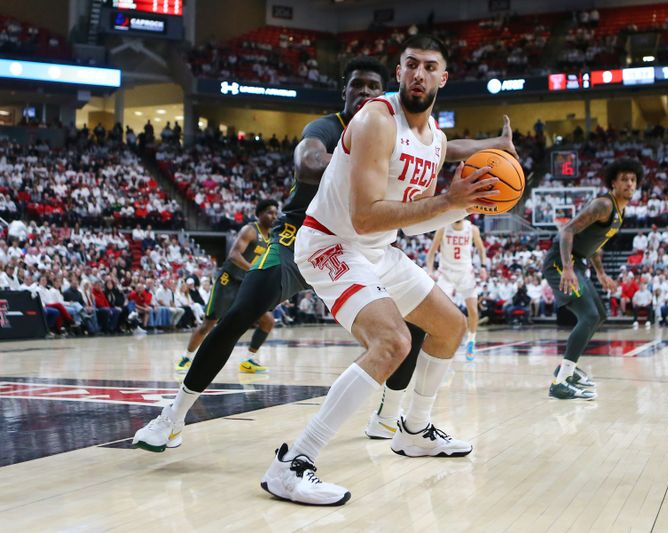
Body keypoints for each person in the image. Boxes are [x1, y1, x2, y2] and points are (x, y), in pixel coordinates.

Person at [131, 54, 519, 458]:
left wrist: (494, 145)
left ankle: (393, 418)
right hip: (300, 235)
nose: (365, 93)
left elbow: (445, 148)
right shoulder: (330, 127)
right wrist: (360, 160)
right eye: (357, 86)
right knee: (239, 315)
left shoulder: (399, 127)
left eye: (373, 87)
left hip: (362, 243)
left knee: (420, 325)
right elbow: (307, 161)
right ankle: (171, 417)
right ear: (345, 92)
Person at [259, 34, 499, 505]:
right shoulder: (376, 119)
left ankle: (412, 430)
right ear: (399, 72)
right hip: (329, 242)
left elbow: (417, 214)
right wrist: (449, 201)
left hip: (377, 248)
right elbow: (367, 213)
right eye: (411, 64)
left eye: (430, 66)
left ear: (443, 78)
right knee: (393, 342)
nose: (419, 74)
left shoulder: (435, 142)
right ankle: (292, 464)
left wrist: (461, 206)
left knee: (451, 326)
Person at [543, 158, 642, 400]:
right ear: (613, 183)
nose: (629, 184)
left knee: (599, 315)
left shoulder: (620, 211)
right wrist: (566, 268)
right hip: (561, 262)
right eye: (624, 180)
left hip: (578, 262)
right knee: (588, 316)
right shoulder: (603, 205)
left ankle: (567, 368)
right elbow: (567, 231)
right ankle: (561, 382)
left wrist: (600, 272)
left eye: (633, 180)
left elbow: (595, 245)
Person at [175, 199, 278, 373]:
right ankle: (186, 358)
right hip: (228, 280)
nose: (273, 216)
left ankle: (249, 360)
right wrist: (254, 270)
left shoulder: (272, 237)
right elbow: (234, 255)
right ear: (259, 214)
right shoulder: (250, 230)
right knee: (209, 323)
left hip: (246, 284)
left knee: (268, 321)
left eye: (275, 213)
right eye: (269, 212)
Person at [426, 217, 487, 360]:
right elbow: (431, 252)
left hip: (465, 273)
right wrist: (430, 271)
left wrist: (483, 267)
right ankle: (444, 342)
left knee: (473, 310)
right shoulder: (443, 227)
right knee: (440, 311)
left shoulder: (472, 229)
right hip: (446, 273)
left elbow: (481, 249)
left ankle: (471, 341)